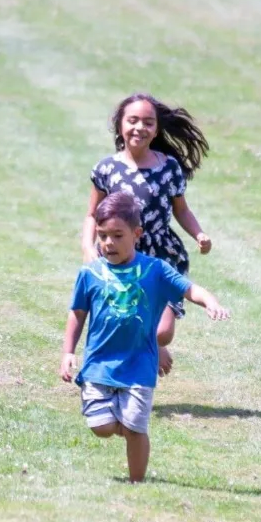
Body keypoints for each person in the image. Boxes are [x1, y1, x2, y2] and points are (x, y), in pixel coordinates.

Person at [61, 192, 229, 483]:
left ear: (136, 234)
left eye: (117, 235)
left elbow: (190, 290)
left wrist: (210, 301)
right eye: (102, 236)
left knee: (137, 429)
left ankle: (136, 482)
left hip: (139, 366)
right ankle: (124, 425)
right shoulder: (90, 273)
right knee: (100, 426)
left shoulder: (155, 270)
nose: (108, 243)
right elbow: (77, 313)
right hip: (99, 364)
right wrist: (68, 352)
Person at [82, 93, 212, 376]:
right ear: (120, 126)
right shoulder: (106, 169)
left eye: (148, 122)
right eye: (132, 121)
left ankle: (152, 345)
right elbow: (93, 214)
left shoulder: (168, 168)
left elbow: (181, 210)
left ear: (156, 130)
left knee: (163, 332)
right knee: (127, 317)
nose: (140, 127)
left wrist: (199, 234)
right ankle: (128, 372)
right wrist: (87, 246)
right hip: (124, 256)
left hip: (164, 256)